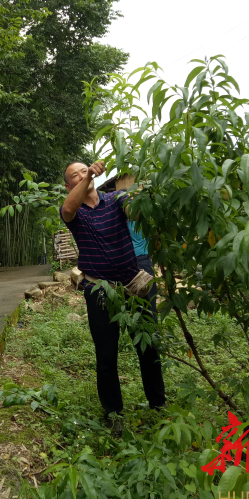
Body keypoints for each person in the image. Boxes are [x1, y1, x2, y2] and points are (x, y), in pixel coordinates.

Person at [60, 161, 166, 417]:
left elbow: (135, 213)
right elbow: (68, 207)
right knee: (106, 354)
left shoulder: (116, 198)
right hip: (99, 290)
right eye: (75, 176)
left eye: (84, 171)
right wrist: (88, 178)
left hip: (135, 285)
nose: (82, 176)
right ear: (68, 185)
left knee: (148, 346)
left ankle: (158, 404)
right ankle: (113, 412)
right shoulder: (72, 212)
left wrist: (145, 198)